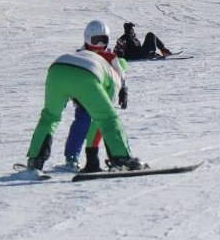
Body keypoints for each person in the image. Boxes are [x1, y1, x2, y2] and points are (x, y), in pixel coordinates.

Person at [25, 20, 142, 174]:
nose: (100, 44)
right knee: (108, 118)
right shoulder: (114, 75)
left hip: (57, 69)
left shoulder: (84, 53)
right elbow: (103, 119)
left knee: (49, 117)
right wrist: (92, 156)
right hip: (86, 75)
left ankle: (35, 161)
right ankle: (121, 158)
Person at [63, 21, 131, 171]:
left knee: (107, 126)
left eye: (104, 40)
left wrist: (123, 90)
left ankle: (119, 157)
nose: (100, 44)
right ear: (87, 39)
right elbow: (73, 76)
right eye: (96, 40)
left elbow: (120, 74)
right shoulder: (81, 56)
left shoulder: (110, 57)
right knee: (81, 125)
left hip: (105, 99)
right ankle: (71, 157)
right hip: (85, 98)